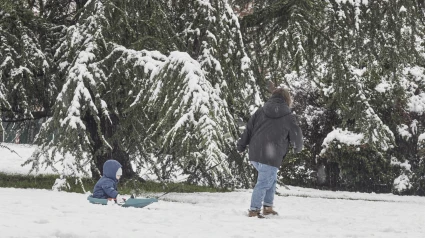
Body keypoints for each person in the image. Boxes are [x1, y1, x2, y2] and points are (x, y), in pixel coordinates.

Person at [237, 87, 303, 218]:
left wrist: (241, 146)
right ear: (287, 99)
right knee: (264, 182)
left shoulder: (260, 111)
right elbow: (296, 134)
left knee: (271, 179)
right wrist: (297, 147)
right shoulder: (288, 116)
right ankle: (254, 210)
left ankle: (268, 207)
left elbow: (248, 130)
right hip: (271, 155)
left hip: (255, 154)